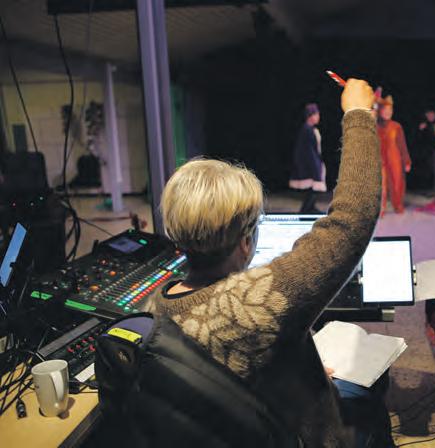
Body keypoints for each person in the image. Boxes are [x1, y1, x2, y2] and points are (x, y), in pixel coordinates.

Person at [156, 79, 393, 447]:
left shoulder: (160, 304)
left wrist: (299, 371)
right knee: (371, 400)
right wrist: (359, 113)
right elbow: (353, 219)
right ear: (246, 241)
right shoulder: (260, 301)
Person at [289, 103, 326, 213]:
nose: (318, 117)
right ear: (311, 116)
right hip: (309, 165)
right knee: (313, 188)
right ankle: (306, 210)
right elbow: (306, 151)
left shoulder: (311, 129)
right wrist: (314, 166)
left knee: (313, 189)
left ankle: (310, 208)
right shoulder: (306, 130)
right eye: (316, 114)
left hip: (313, 162)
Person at [377, 95, 411, 215]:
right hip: (380, 160)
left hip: (394, 159)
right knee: (381, 185)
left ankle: (398, 205)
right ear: (380, 111)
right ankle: (380, 209)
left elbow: (402, 145)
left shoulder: (396, 127)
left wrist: (406, 161)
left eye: (390, 110)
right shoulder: (374, 126)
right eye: (385, 110)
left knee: (397, 184)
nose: (388, 112)